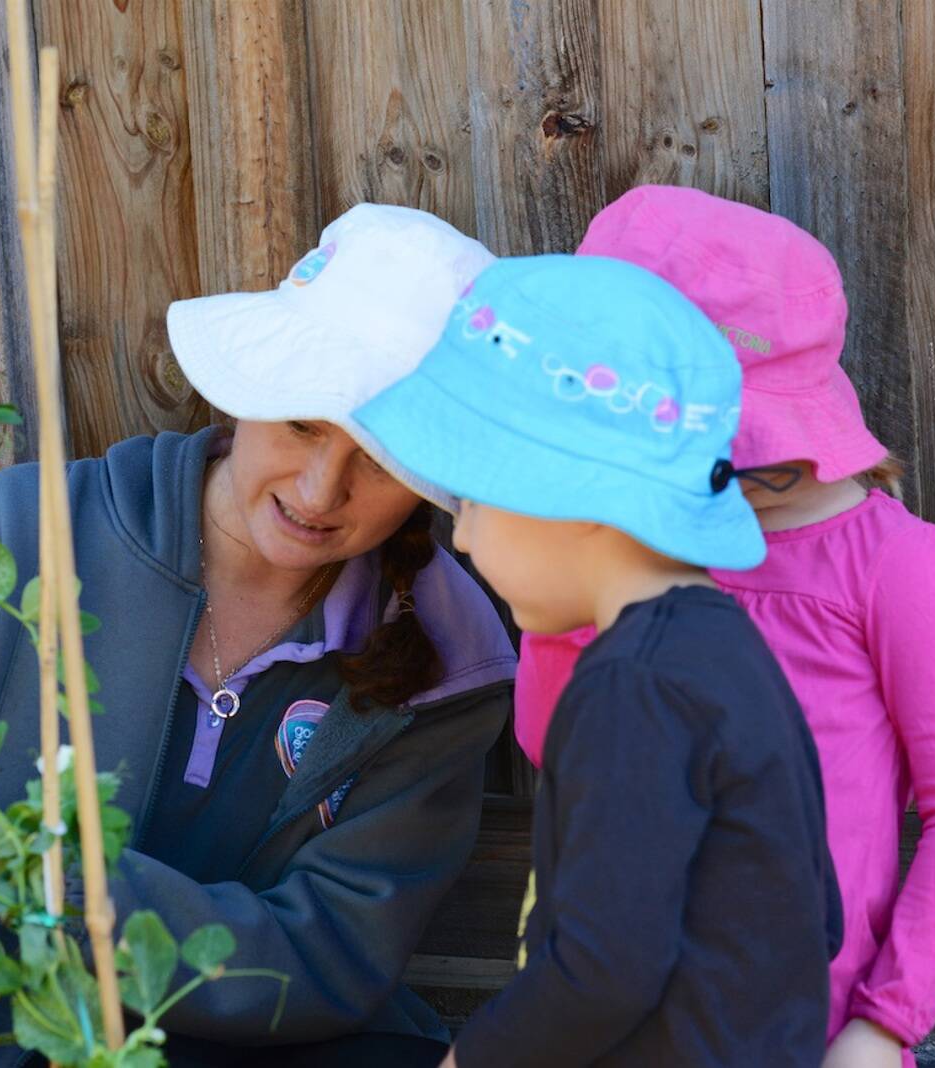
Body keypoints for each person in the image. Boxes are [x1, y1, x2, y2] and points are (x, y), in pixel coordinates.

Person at [0, 204, 517, 1068]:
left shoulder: (447, 653)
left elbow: (333, 957)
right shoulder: (21, 535)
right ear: (250, 389)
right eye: (304, 424)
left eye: (381, 457)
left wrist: (65, 889)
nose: (322, 491)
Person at [513, 186, 935, 1068]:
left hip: (807, 1038)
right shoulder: (632, 546)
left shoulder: (895, 571)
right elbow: (554, 746)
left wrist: (884, 1023)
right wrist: (559, 609)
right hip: (616, 1020)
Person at [355, 252, 840, 1066]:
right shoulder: (731, 653)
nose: (463, 537)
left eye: (474, 499)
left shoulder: (630, 688)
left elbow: (603, 970)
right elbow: (816, 916)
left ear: (576, 496)